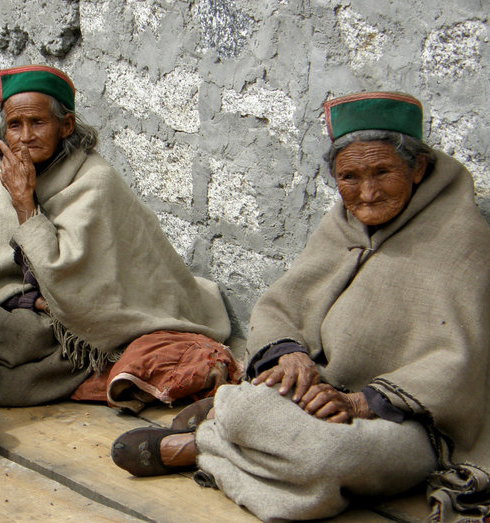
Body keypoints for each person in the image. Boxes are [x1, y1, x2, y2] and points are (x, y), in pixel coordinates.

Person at [110, 92, 490, 521]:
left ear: (418, 168)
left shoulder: (463, 239)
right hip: (316, 391)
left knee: (326, 456)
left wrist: (361, 404)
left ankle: (203, 446)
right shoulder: (342, 224)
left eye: (383, 171)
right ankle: (246, 437)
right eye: (350, 177)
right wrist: (290, 354)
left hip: (406, 421)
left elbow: (460, 363)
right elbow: (284, 302)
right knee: (257, 405)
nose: (366, 193)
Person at [0, 65, 237, 409]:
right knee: (5, 331)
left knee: (25, 339)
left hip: (99, 310)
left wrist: (26, 206)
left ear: (65, 126)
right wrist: (24, 300)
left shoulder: (95, 180)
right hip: (39, 305)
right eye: (14, 125)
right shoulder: (8, 180)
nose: (25, 136)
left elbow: (80, 281)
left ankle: (95, 373)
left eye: (38, 123)